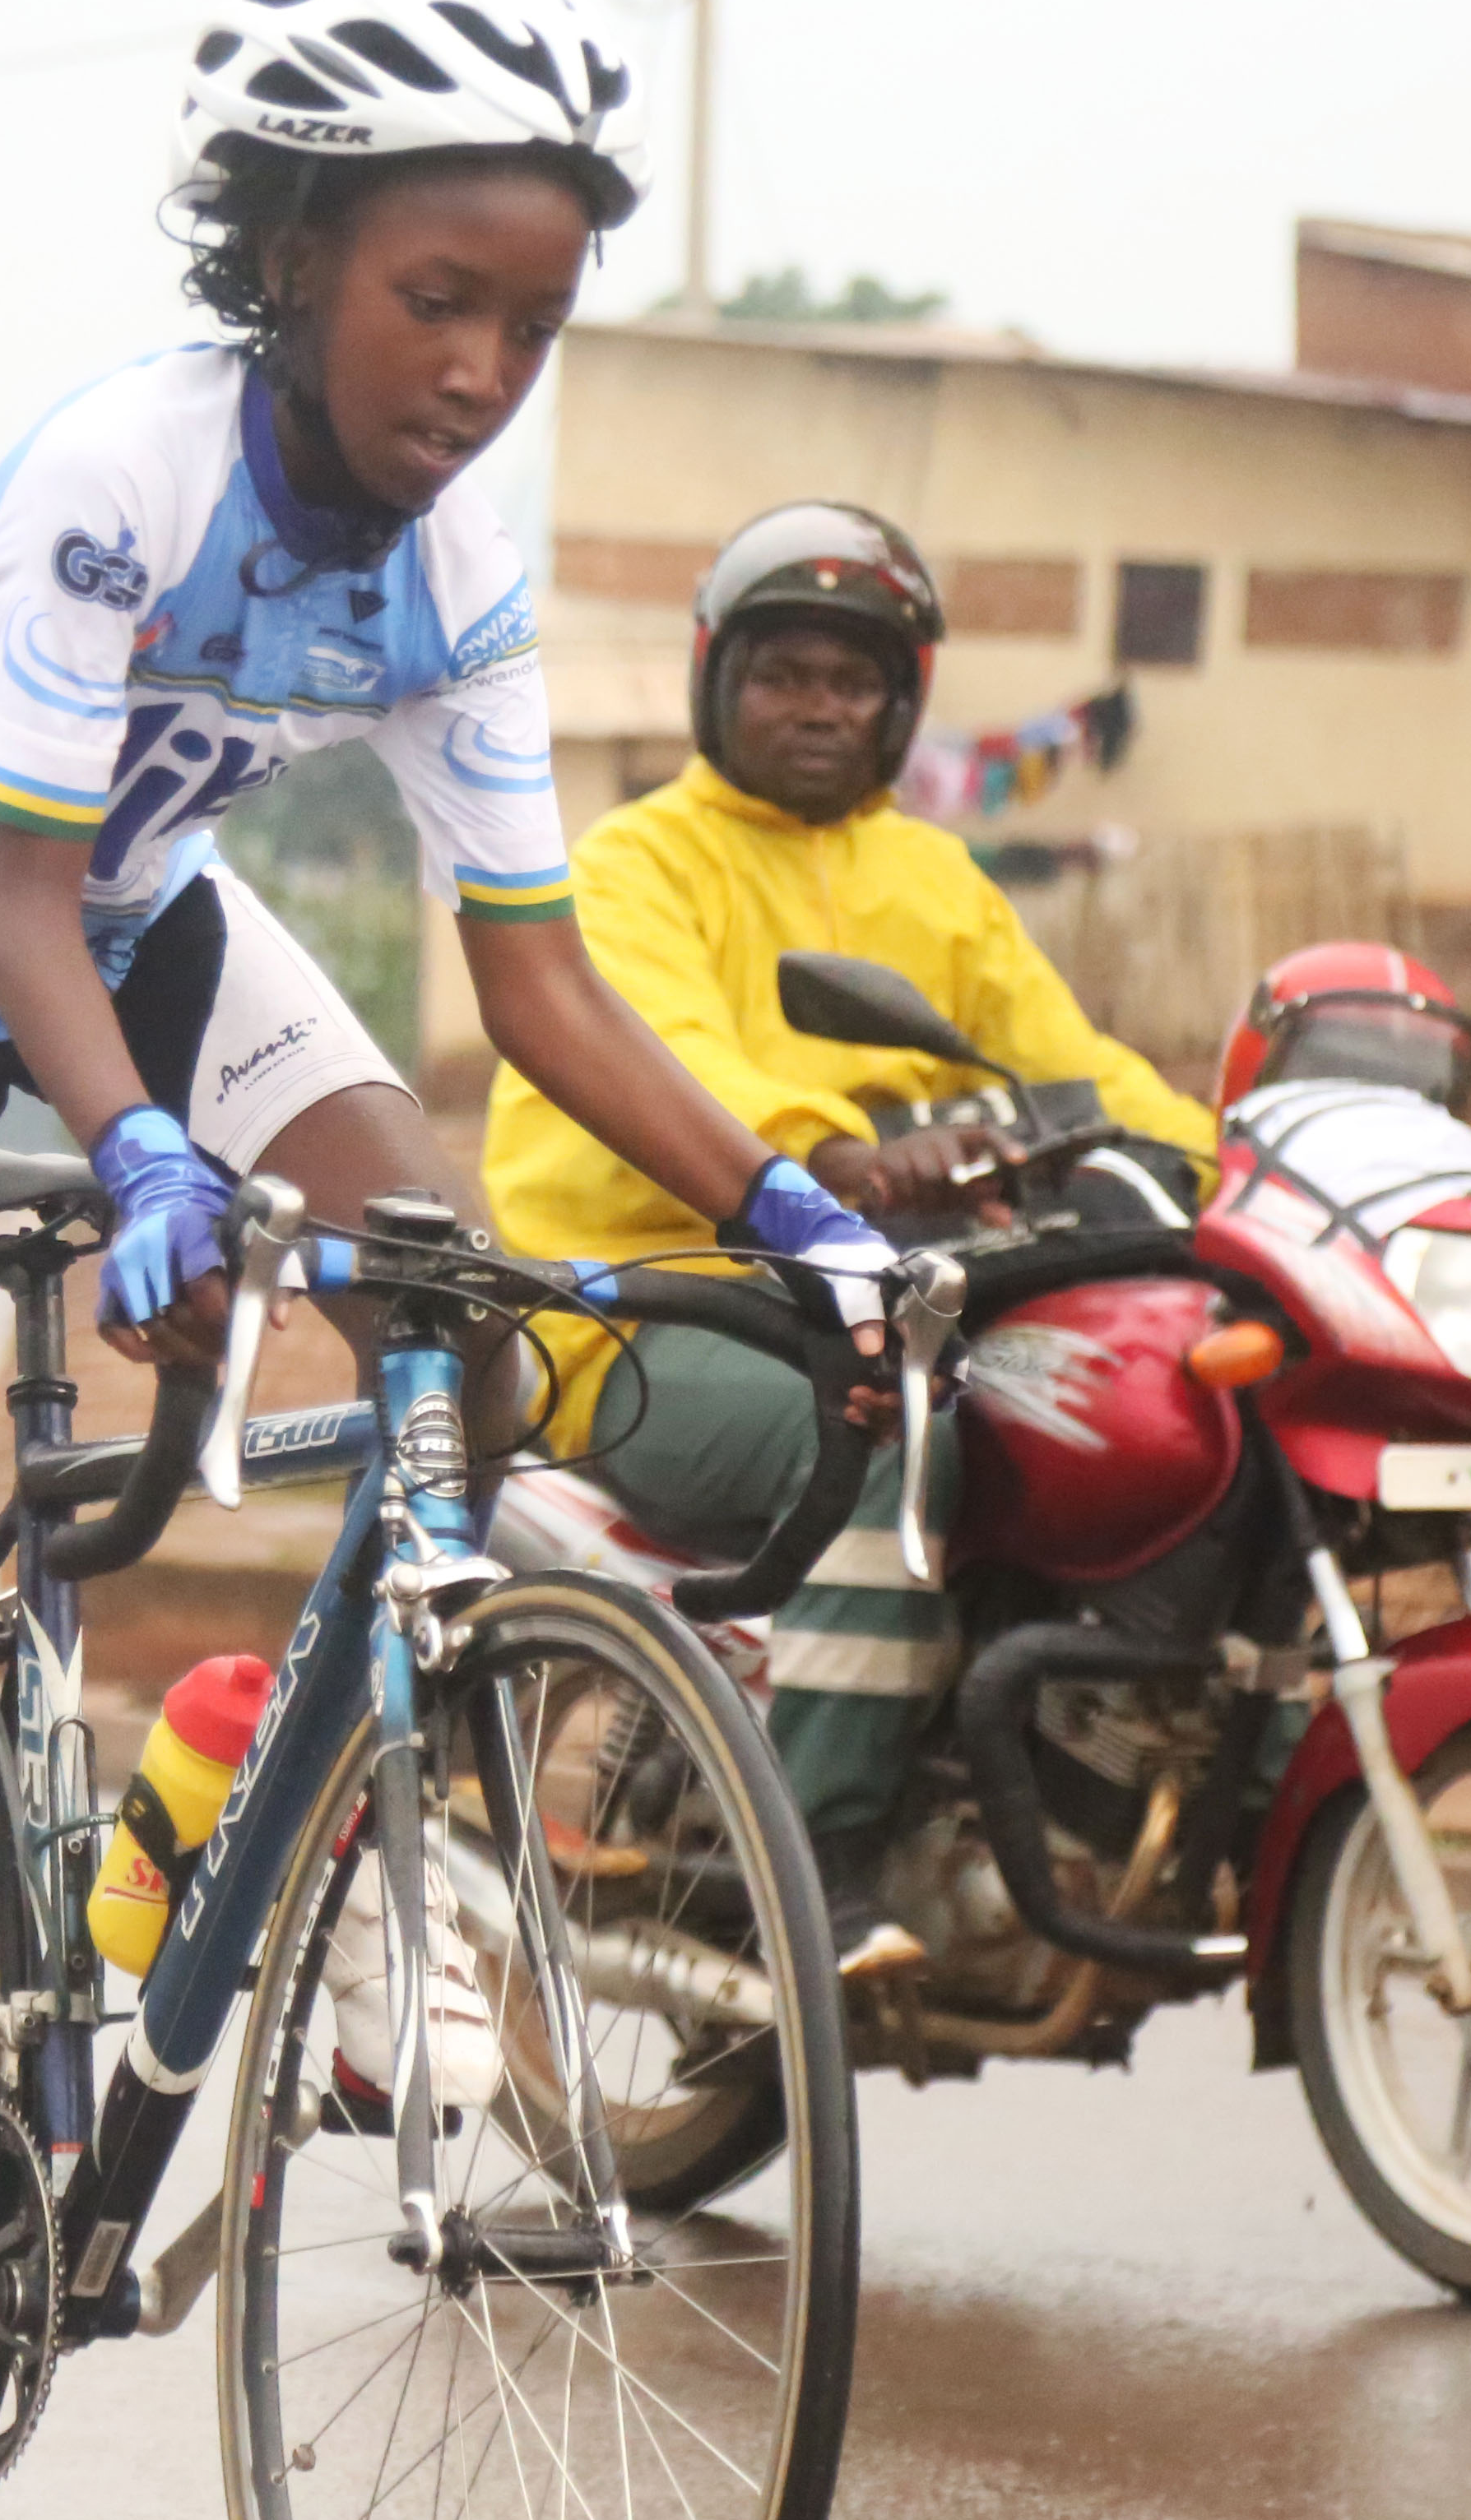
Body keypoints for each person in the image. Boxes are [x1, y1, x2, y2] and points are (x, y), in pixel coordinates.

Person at [0, 0, 902, 2510]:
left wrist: (788, 1207)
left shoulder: (459, 561)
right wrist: (129, 1154)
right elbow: (11, 917)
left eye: (534, 322)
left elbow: (536, 981)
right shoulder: (127, 469)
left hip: (150, 920)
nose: (479, 367)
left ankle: (327, 1830)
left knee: (441, 1277)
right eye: (435, 300)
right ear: (297, 259)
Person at [483, 503, 1217, 1976]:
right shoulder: (636, 866)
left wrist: (1229, 1168)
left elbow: (1066, 1064)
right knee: (895, 1437)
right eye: (783, 674)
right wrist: (838, 1156)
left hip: (895, 1287)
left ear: (904, 703)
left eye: (854, 680)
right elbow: (672, 1058)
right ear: (718, 685)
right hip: (657, 1306)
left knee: (1167, 1416)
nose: (820, 707)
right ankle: (816, 1860)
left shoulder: (939, 884)